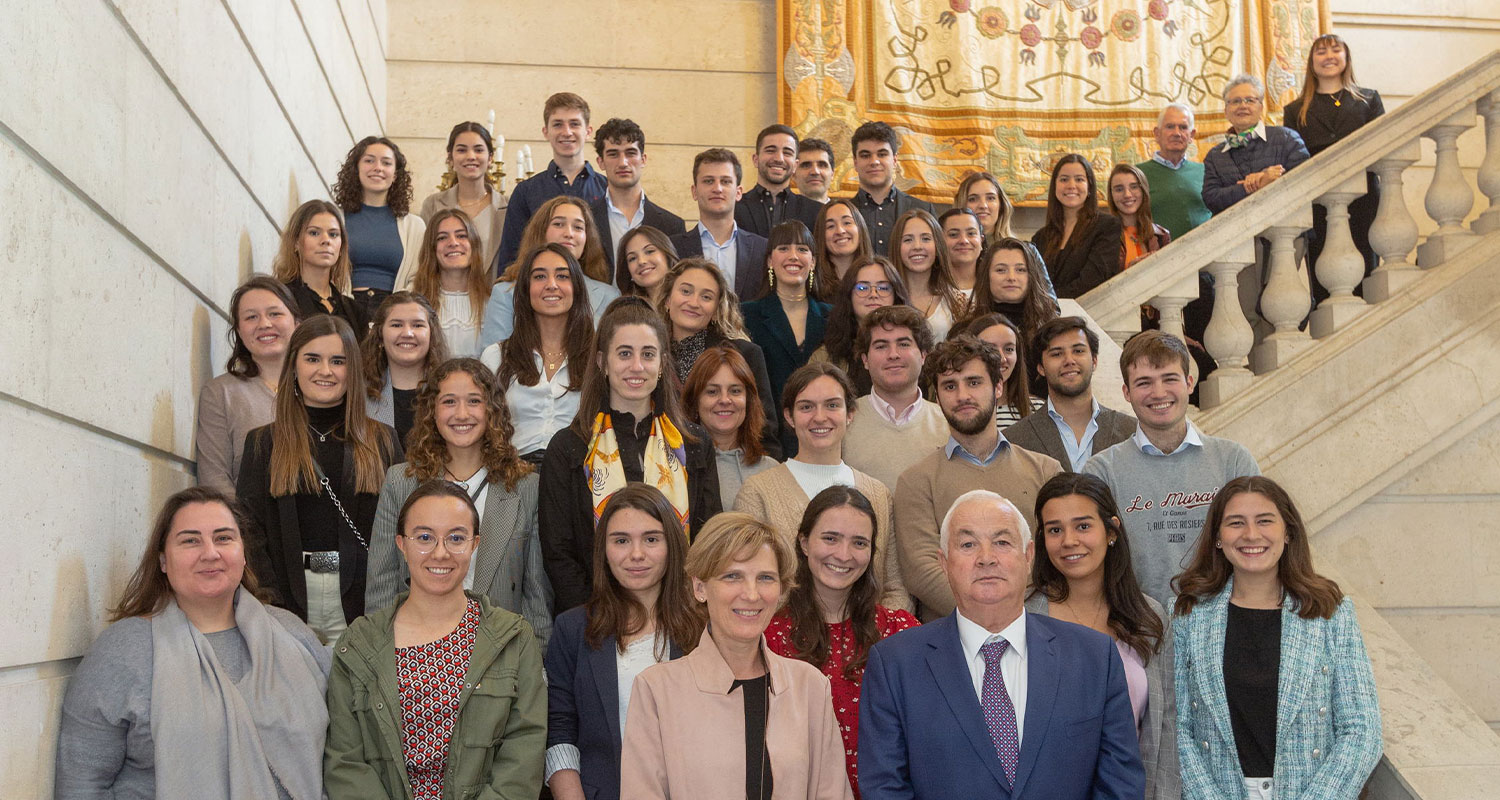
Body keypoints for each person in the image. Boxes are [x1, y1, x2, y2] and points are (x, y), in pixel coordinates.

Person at [858, 490, 1145, 799]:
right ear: (944, 562)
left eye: (1002, 542)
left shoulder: (1094, 657)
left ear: (1029, 556)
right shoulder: (895, 664)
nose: (986, 558)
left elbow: (1121, 784)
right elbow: (885, 788)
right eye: (968, 544)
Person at [55, 487, 330, 800]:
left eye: (224, 538)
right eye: (190, 540)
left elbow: (338, 756)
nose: (210, 553)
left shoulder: (292, 634)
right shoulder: (122, 652)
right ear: (162, 559)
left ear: (243, 554)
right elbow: (80, 785)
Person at [324, 481, 547, 799]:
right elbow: (346, 763)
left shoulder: (513, 638)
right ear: (401, 543)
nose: (441, 553)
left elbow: (523, 757)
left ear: (475, 543)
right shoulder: (358, 644)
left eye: (456, 538)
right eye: (425, 537)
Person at [1174, 476, 1382, 800]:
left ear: (1287, 532)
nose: (1251, 534)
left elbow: (1362, 730)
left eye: (1265, 521)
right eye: (1236, 523)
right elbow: (1178, 728)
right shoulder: (1189, 615)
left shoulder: (1330, 612)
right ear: (1217, 537)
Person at [620, 513, 854, 800]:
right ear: (700, 587)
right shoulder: (656, 689)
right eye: (733, 576)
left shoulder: (811, 686)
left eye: (765, 578)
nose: (752, 594)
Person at [540, 297, 721, 613]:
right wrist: (595, 616)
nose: (637, 367)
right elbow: (559, 552)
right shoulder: (569, 446)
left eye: (648, 355)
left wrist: (690, 610)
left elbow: (709, 538)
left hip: (682, 615)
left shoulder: (694, 442)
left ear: (662, 364)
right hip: (594, 618)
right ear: (602, 362)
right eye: (624, 354)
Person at [365, 358, 552, 649]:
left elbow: (536, 597)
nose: (462, 414)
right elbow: (382, 584)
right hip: (415, 650)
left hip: (498, 654)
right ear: (432, 411)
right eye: (449, 401)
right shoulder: (400, 482)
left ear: (493, 410)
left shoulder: (526, 487)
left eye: (474, 401)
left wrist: (536, 668)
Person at [237, 315, 402, 642]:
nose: (325, 370)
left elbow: (401, 524)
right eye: (312, 358)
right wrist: (269, 603)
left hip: (367, 604)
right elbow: (249, 529)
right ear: (294, 366)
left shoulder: (383, 440)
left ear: (351, 370)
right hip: (286, 603)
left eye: (337, 361)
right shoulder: (262, 443)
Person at [543, 484, 703, 800]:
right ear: (603, 549)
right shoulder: (572, 629)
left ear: (672, 544)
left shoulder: (705, 628)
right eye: (621, 540)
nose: (636, 554)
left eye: (651, 539)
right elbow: (560, 732)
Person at [1025, 473, 1179, 799]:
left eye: (1083, 526)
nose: (1069, 540)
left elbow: (1166, 729)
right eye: (1055, 529)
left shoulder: (1150, 617)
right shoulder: (1025, 619)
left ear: (1111, 532)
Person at [1083, 330, 1260, 608]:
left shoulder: (1234, 461)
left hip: (1224, 623)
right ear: (1126, 392)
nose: (1159, 393)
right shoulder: (1101, 472)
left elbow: (1259, 548)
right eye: (1144, 383)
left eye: (1170, 379)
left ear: (1189, 383)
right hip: (1138, 629)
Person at [765, 486, 921, 797]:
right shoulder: (769, 636)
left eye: (859, 542)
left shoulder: (901, 631)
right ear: (804, 542)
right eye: (831, 538)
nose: (844, 555)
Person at [895, 335, 1061, 620]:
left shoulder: (1046, 471)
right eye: (950, 386)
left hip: (1036, 634)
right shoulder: (916, 481)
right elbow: (922, 571)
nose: (962, 396)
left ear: (998, 387)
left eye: (974, 382)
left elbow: (1055, 557)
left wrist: (1020, 620)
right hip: (951, 644)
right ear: (936, 395)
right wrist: (991, 618)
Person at [735, 362, 911, 612]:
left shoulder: (878, 494)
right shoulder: (758, 492)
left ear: (850, 414)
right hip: (785, 646)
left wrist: (876, 642)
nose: (820, 417)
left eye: (832, 405)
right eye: (807, 407)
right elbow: (748, 584)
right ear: (789, 416)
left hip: (870, 644)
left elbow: (894, 587)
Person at [1284, 34, 1385, 300]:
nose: (1328, 56)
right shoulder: (1295, 110)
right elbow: (1293, 159)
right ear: (1311, 63)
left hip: (1363, 197)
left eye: (1335, 50)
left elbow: (1381, 145)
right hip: (1318, 200)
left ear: (1346, 57)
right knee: (1323, 268)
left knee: (1366, 264)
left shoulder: (1368, 99)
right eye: (1321, 52)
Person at [481, 244, 594, 463]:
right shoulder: (495, 356)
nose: (551, 285)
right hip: (513, 474)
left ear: (577, 287)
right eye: (540, 276)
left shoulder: (598, 358)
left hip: (580, 474)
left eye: (562, 276)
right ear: (526, 288)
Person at [658, 257, 781, 457]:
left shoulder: (745, 354)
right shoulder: (648, 357)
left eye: (706, 297)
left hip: (733, 468)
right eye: (686, 291)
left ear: (716, 310)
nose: (694, 302)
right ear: (667, 300)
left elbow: (765, 431)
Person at [196, 276, 302, 497]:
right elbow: (214, 480)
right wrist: (246, 529)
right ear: (239, 331)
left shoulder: (323, 387)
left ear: (297, 322)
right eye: (251, 317)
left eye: (275, 314)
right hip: (249, 527)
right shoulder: (220, 393)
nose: (264, 324)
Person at [480, 194, 621, 347]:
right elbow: (492, 360)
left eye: (578, 227)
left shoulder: (610, 296)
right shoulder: (505, 294)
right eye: (559, 224)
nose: (569, 233)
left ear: (587, 238)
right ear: (541, 231)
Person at [742, 221, 832, 456]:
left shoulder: (832, 316)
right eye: (783, 248)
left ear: (812, 261)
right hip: (768, 442)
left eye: (802, 249)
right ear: (770, 261)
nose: (793, 256)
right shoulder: (747, 315)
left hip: (825, 437)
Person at [1004, 316, 1137, 472]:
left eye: (1078, 351)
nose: (1069, 360)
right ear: (1040, 367)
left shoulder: (1133, 432)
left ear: (1094, 361)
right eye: (1056, 354)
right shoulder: (1014, 440)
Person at [493, 92, 607, 271]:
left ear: (588, 132)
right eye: (558, 124)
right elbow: (511, 256)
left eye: (574, 124)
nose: (567, 132)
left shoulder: (608, 189)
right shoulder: (525, 191)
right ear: (546, 132)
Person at [840, 306, 948, 492]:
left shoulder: (949, 422)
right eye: (881, 346)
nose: (893, 354)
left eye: (904, 344)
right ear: (865, 360)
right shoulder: (843, 420)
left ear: (923, 355)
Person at [334, 136, 425, 317]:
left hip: (393, 311)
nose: (378, 168)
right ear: (356, 168)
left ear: (396, 174)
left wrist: (397, 313)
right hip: (343, 307)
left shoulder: (414, 226)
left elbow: (418, 277)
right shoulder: (335, 219)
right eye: (369, 161)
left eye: (386, 163)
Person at [683, 345, 780, 510]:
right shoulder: (678, 468)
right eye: (712, 392)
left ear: (749, 400)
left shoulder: (772, 471)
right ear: (695, 401)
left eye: (735, 391)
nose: (725, 400)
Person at [1202, 74, 1311, 214]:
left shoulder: (1287, 138)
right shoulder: (1215, 156)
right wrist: (1254, 185)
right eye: (1235, 101)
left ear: (1261, 107)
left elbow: (1304, 180)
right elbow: (1211, 200)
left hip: (1285, 228)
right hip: (1237, 233)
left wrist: (1271, 179)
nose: (1243, 106)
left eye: (1250, 100)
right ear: (1226, 111)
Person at [671, 148, 769, 302]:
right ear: (694, 191)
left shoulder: (762, 249)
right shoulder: (672, 248)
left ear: (738, 192)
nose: (717, 188)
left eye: (725, 181)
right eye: (708, 181)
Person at [589, 118, 687, 270]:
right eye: (613, 154)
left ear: (643, 159)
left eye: (630, 153)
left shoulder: (672, 225)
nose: (623, 163)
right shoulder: (585, 219)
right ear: (600, 162)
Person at [362, 291, 449, 449]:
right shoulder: (358, 393)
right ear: (380, 335)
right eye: (396, 325)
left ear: (431, 334)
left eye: (417, 325)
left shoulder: (450, 390)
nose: (408, 333)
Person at [810, 256, 909, 395]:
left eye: (883, 287)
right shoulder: (824, 357)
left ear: (896, 295)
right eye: (862, 287)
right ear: (849, 295)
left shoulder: (914, 348)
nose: (873, 294)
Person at [417, 121, 508, 272]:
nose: (471, 156)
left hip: (493, 293)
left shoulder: (508, 206)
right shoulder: (433, 205)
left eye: (478, 150)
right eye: (462, 150)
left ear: (491, 158)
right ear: (450, 159)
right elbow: (425, 259)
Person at [1031, 153, 1124, 298]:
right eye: (1064, 179)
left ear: (1090, 187)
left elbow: (1093, 280)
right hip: (1047, 317)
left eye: (1079, 179)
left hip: (1089, 314)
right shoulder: (1040, 237)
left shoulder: (1107, 226)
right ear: (1054, 186)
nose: (1071, 186)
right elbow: (1034, 284)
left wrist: (1050, 301)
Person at [408, 208, 492, 357]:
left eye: (461, 236)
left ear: (473, 244)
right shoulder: (413, 300)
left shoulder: (492, 301)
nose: (453, 243)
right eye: (442, 238)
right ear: (432, 249)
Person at [274, 199, 367, 331]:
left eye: (333, 234)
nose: (326, 241)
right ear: (296, 242)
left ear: (341, 248)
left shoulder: (355, 312)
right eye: (314, 233)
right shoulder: (280, 300)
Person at [849, 121, 936, 254]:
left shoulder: (923, 210)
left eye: (882, 154)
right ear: (855, 163)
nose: (874, 162)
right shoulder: (842, 215)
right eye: (866, 155)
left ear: (895, 160)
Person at [965, 237, 1058, 353]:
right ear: (986, 276)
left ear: (1031, 276)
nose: (1011, 277)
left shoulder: (1052, 329)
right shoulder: (967, 330)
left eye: (1020, 270)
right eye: (1001, 270)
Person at [1136, 103, 1212, 241]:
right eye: (1170, 127)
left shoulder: (1207, 171)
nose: (1177, 133)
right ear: (1157, 134)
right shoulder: (1138, 174)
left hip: (1206, 254)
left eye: (1183, 127)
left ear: (1191, 135)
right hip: (1157, 258)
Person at [889, 209, 968, 340]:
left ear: (937, 246)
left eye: (926, 239)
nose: (917, 246)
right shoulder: (885, 297)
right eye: (908, 240)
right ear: (897, 247)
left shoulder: (957, 301)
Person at [738, 124, 824, 238]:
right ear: (756, 159)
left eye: (787, 153)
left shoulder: (817, 212)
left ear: (795, 165)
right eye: (770, 150)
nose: (779, 159)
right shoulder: (735, 207)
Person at [959, 314, 1042, 427]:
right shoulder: (957, 409)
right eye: (990, 348)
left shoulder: (1040, 411)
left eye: (1009, 349)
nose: (1002, 358)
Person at [1108, 163, 1172, 270]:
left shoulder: (1161, 235)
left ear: (1144, 191)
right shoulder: (1102, 236)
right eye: (1119, 189)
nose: (1127, 194)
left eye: (1134, 187)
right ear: (1111, 194)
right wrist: (1129, 272)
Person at [814, 199, 875, 300]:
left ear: (860, 228)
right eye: (830, 226)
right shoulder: (812, 284)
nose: (840, 231)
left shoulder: (880, 278)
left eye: (847, 223)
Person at [614, 225, 680, 303]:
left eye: (649, 251)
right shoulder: (624, 311)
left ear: (667, 255)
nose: (641, 261)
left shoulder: (690, 302)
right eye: (632, 258)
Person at [954, 170, 1015, 241]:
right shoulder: (945, 249)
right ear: (961, 205)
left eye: (990, 198)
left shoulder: (1017, 249)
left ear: (1001, 205)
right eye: (973, 199)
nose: (983, 205)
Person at [939, 207, 985, 292]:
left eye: (971, 233)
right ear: (940, 241)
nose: (964, 241)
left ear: (981, 241)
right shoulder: (927, 289)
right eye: (953, 234)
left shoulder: (995, 287)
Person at [794, 137, 836, 204]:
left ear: (832, 173)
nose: (815, 172)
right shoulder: (779, 213)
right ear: (793, 174)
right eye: (806, 165)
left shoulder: (848, 213)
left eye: (822, 165)